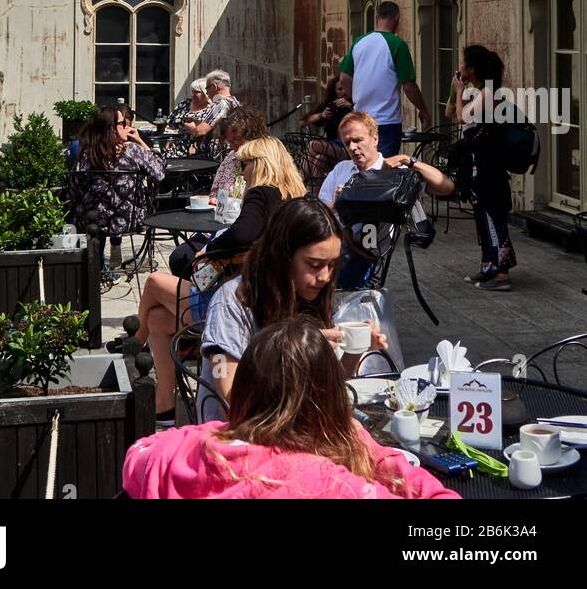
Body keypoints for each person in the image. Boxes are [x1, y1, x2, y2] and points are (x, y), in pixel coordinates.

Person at [123, 316, 459, 500]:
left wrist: (220, 430)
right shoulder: (333, 487)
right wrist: (371, 451)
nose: (322, 277)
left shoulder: (179, 449)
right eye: (314, 264)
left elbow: (138, 455)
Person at [120, 137, 305, 424]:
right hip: (260, 299)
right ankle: (163, 407)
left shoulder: (262, 192)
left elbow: (242, 233)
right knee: (157, 319)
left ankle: (134, 349)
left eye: (245, 165)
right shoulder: (292, 196)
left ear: (260, 164)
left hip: (230, 305)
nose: (242, 172)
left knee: (154, 282)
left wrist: (210, 249)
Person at [199, 196, 389, 421]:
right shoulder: (231, 303)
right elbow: (231, 402)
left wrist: (353, 350)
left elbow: (327, 389)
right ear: (282, 257)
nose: (326, 277)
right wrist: (295, 350)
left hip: (293, 425)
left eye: (332, 265)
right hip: (239, 434)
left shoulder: (308, 293)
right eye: (315, 265)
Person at [319, 111, 454, 287]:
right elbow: (319, 214)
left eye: (358, 140)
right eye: (347, 143)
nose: (352, 147)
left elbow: (447, 187)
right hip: (329, 244)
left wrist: (409, 160)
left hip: (362, 253)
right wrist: (339, 203)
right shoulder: (341, 169)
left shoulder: (395, 175)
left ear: (374, 139)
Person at [167, 104, 268, 279]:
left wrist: (209, 250)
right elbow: (215, 192)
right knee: (179, 258)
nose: (233, 145)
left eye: (237, 140)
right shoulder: (230, 159)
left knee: (192, 262)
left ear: (252, 135)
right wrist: (213, 201)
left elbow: (250, 224)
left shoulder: (263, 164)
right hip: (218, 226)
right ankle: (199, 292)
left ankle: (205, 292)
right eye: (230, 141)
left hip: (243, 236)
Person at [448, 45, 517, 292]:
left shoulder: (488, 92)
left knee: (493, 217)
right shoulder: (479, 92)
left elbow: (462, 117)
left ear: (473, 69)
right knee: (482, 216)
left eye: (464, 64)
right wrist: (455, 90)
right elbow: (450, 111)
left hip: (489, 167)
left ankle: (501, 274)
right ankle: (489, 265)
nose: (460, 67)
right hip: (479, 165)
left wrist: (459, 91)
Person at [69, 105, 165, 271]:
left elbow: (75, 189)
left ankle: (97, 270)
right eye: (123, 123)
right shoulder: (133, 151)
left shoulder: (86, 155)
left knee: (94, 213)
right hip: (128, 221)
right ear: (112, 129)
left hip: (92, 222)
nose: (127, 127)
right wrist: (141, 142)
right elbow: (159, 173)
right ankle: (105, 266)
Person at [338, 1, 432, 155]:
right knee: (385, 166)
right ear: (397, 18)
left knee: (363, 164)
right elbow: (409, 86)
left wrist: (356, 100)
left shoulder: (358, 42)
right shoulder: (398, 44)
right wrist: (423, 110)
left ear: (376, 18)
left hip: (361, 119)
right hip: (387, 121)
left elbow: (344, 78)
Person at [303, 74, 351, 195]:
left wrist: (350, 106)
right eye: (340, 89)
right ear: (334, 92)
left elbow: (366, 118)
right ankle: (315, 198)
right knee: (319, 159)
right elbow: (303, 122)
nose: (344, 92)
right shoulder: (331, 106)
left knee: (313, 145)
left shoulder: (356, 104)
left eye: (345, 88)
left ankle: (299, 181)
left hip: (347, 149)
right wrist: (322, 115)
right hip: (331, 149)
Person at [182, 70, 240, 154]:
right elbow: (221, 123)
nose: (207, 92)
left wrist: (190, 127)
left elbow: (200, 131)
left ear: (214, 87)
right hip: (230, 150)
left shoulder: (220, 105)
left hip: (219, 154)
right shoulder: (234, 101)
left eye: (207, 88)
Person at [165, 79, 210, 158]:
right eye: (192, 91)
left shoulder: (212, 109)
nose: (193, 94)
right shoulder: (185, 103)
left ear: (205, 93)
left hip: (200, 147)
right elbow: (170, 123)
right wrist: (170, 138)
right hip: (178, 144)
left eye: (197, 92)